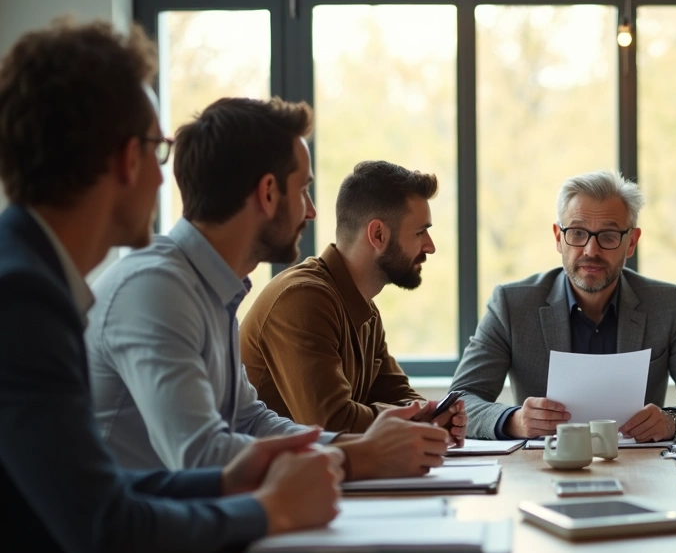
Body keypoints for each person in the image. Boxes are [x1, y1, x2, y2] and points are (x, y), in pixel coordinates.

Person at [0, 20, 341, 553]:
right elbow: (104, 529)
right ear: (128, 159)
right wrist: (270, 511)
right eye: (160, 152)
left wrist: (232, 478)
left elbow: (107, 488)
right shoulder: (22, 296)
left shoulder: (31, 277)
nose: (169, 177)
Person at [87, 97, 450, 480]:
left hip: (193, 523)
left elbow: (250, 420)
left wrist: (360, 448)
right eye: (303, 190)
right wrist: (357, 458)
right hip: (144, 534)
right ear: (268, 193)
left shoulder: (211, 289)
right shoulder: (156, 288)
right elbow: (200, 455)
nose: (310, 211)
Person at [453, 170, 676, 442]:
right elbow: (459, 401)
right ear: (558, 237)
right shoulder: (512, 305)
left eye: (607, 236)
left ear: (631, 242)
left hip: (640, 469)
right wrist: (515, 421)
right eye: (578, 233)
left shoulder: (668, 305)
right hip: (543, 469)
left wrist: (672, 422)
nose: (591, 251)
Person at [239, 160, 467, 444]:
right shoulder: (302, 299)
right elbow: (332, 423)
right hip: (270, 483)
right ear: (378, 235)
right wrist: (417, 419)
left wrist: (433, 416)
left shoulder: (365, 308)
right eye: (420, 232)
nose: (430, 246)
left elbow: (398, 394)